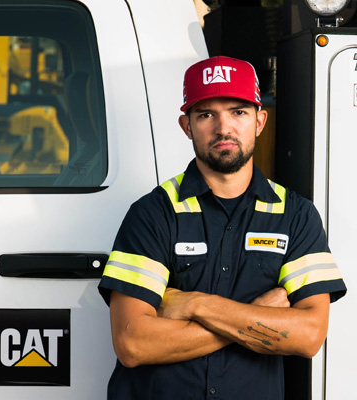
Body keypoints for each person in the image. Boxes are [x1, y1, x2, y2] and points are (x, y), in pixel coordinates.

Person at [97, 56, 347, 400]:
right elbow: (133, 343)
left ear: (260, 121)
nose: (223, 128)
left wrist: (196, 304)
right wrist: (260, 317)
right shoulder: (152, 213)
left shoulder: (296, 215)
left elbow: (308, 336)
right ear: (186, 126)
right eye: (206, 114)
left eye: (238, 112)